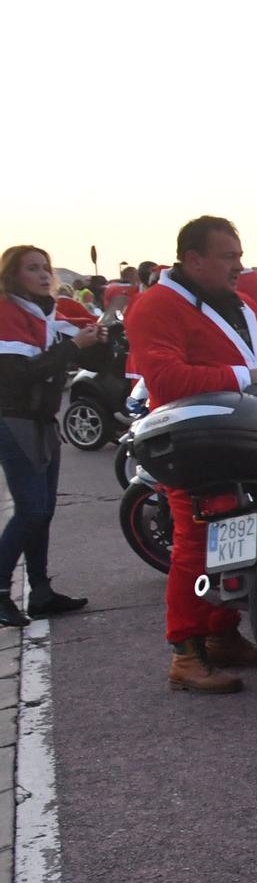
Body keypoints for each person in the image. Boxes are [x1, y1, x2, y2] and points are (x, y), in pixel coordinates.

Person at [125, 216, 257, 692]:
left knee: (236, 536)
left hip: (242, 438)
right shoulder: (154, 308)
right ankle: (184, 653)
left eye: (238, 254)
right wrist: (248, 377)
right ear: (194, 260)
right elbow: (165, 380)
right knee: (194, 543)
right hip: (192, 443)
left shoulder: (242, 302)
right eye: (229, 257)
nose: (239, 265)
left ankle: (221, 633)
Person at [0, 245, 109, 626]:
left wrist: (99, 340)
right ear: (12, 276)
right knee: (30, 510)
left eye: (46, 267)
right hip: (14, 420)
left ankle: (41, 592)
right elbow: (18, 374)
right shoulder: (6, 314)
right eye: (33, 268)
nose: (44, 274)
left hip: (42, 420)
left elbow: (81, 359)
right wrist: (72, 347)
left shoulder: (48, 314)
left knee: (42, 512)